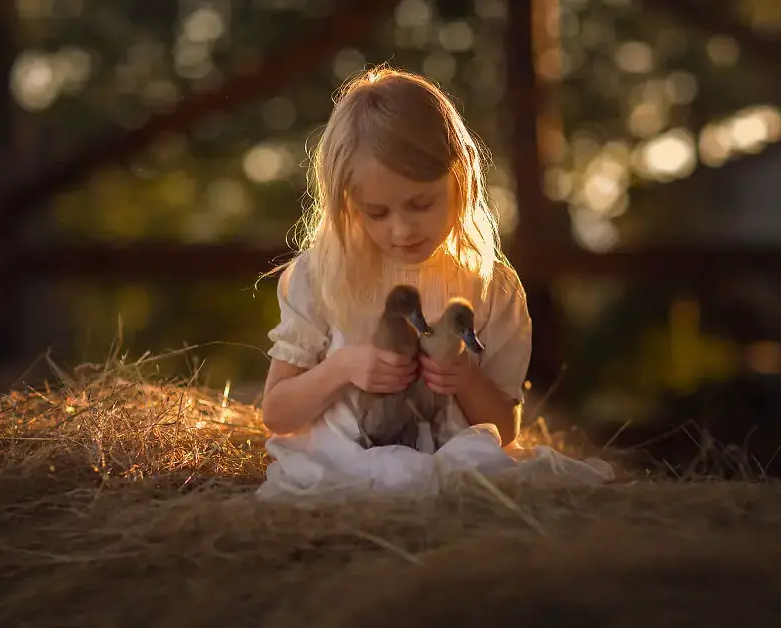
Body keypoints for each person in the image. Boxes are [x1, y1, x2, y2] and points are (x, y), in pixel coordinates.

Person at [257, 66, 611, 499]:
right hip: (350, 461)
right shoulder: (323, 275)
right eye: (378, 213)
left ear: (459, 180)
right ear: (348, 205)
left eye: (420, 203)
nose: (402, 230)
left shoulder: (488, 286)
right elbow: (277, 413)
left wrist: (463, 376)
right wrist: (344, 365)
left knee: (479, 473)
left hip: (456, 460)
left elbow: (502, 429)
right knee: (397, 474)